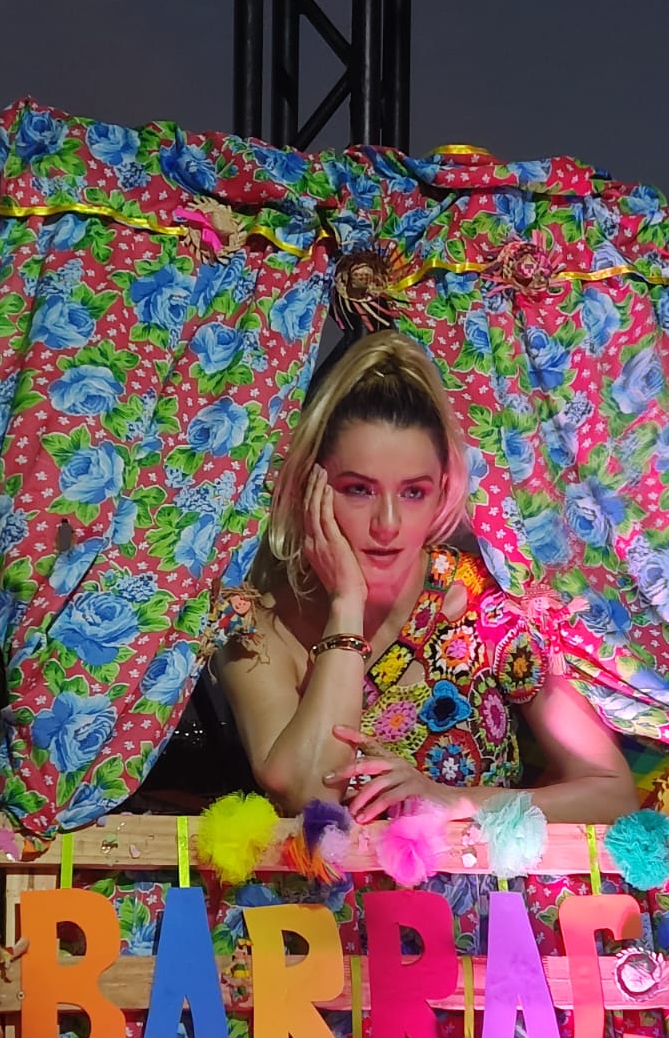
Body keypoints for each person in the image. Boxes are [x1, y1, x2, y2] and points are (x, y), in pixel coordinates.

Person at [217, 332, 637, 825]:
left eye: (413, 493)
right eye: (358, 489)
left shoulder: (484, 604)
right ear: (310, 486)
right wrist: (346, 606)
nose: (388, 524)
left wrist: (455, 801)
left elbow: (611, 793)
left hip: (480, 879)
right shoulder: (255, 628)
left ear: (442, 492)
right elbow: (308, 794)